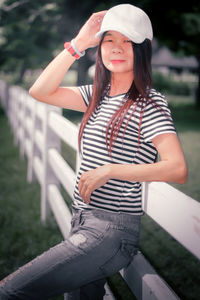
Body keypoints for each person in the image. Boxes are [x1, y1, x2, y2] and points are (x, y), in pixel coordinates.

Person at [0, 3, 187, 300]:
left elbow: (177, 168)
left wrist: (111, 170)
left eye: (128, 41)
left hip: (110, 231)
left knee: (11, 290)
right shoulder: (95, 96)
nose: (117, 48)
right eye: (109, 40)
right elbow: (41, 91)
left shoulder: (149, 103)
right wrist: (78, 44)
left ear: (144, 48)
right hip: (82, 219)